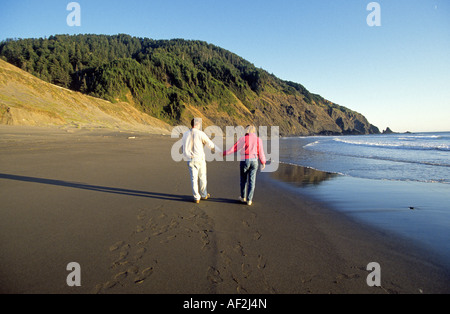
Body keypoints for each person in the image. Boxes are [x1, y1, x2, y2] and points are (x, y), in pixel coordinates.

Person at [223, 125, 266, 206]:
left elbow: (234, 148)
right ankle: (249, 200)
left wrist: (224, 153)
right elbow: (261, 152)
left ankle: (243, 197)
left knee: (243, 180)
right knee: (252, 181)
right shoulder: (258, 140)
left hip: (245, 160)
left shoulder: (243, 138)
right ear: (254, 131)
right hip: (254, 161)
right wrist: (263, 162)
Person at [182, 118, 218, 203]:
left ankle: (196, 197)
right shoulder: (201, 133)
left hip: (190, 159)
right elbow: (210, 144)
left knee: (193, 179)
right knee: (202, 177)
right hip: (200, 158)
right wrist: (218, 151)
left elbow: (183, 147)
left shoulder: (185, 134)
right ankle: (204, 194)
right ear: (197, 125)